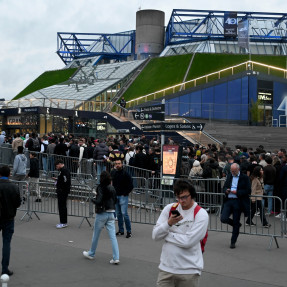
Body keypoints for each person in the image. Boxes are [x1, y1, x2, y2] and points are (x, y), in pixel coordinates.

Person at [152, 179, 208, 287]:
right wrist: (168, 223)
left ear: (191, 195)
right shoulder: (170, 209)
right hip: (166, 268)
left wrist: (167, 235)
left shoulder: (201, 214)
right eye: (178, 197)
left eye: (184, 197)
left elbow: (188, 241)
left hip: (189, 270)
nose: (181, 200)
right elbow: (155, 235)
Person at [83, 171, 120, 264]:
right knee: (113, 237)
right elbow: (115, 199)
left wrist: (93, 200)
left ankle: (91, 253)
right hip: (111, 212)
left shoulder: (100, 187)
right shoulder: (112, 187)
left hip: (102, 213)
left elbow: (99, 201)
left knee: (96, 235)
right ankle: (116, 257)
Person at [220, 163, 251, 249]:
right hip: (229, 200)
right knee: (223, 218)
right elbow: (225, 186)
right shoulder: (230, 176)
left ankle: (233, 241)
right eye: (231, 171)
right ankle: (236, 224)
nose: (232, 172)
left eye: (234, 171)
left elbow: (248, 190)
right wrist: (226, 190)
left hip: (238, 201)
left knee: (236, 220)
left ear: (238, 170)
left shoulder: (244, 177)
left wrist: (237, 192)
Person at [0, 165, 21, 276]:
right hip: (8, 217)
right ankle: (4, 269)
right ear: (9, 174)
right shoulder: (14, 187)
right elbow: (18, 203)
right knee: (6, 243)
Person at [111, 159, 133, 238]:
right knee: (118, 214)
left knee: (124, 214)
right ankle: (121, 230)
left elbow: (131, 185)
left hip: (123, 196)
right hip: (116, 196)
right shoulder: (113, 172)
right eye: (116, 163)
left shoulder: (126, 174)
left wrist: (125, 193)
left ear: (122, 164)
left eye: (119, 163)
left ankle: (129, 231)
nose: (117, 165)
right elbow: (111, 183)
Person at [54, 159, 71, 229]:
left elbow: (66, 181)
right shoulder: (63, 171)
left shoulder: (64, 171)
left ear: (60, 164)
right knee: (62, 206)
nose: (56, 167)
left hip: (62, 191)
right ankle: (63, 222)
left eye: (57, 166)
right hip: (63, 190)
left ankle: (63, 222)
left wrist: (61, 187)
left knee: (62, 206)